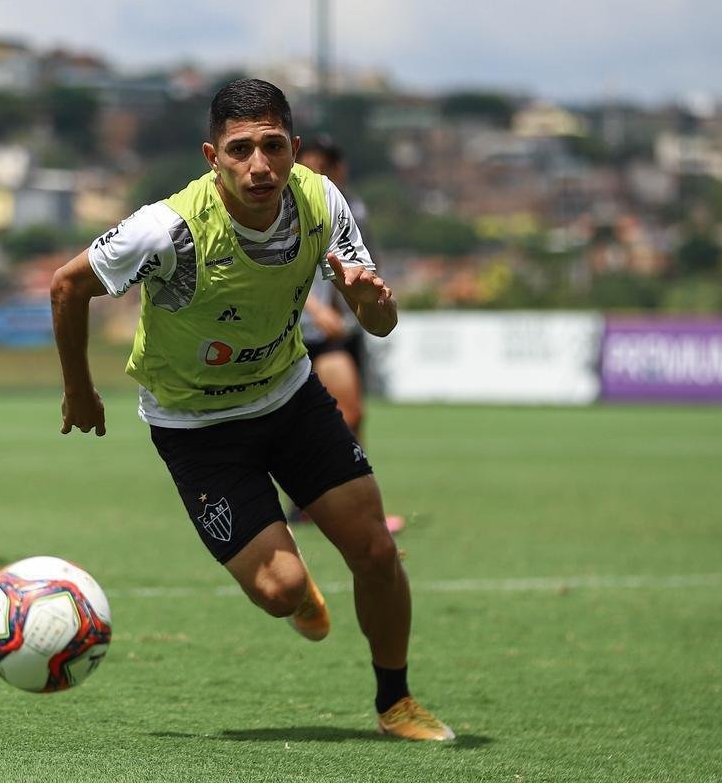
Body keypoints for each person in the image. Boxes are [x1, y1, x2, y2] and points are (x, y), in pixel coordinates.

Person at [51, 79, 453, 741]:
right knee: (279, 590)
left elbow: (379, 324)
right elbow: (67, 285)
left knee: (376, 550)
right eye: (240, 149)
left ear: (295, 147)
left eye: (273, 146)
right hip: (196, 425)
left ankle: (396, 702)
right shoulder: (169, 230)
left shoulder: (322, 201)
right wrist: (78, 389)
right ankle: (298, 590)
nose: (259, 165)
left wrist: (369, 301)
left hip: (288, 397)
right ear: (213, 157)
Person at [293, 138, 405, 534]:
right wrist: (316, 308)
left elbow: (365, 259)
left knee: (352, 415)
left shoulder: (350, 207)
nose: (315, 175)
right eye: (307, 166)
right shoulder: (285, 206)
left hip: (339, 331)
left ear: (339, 170)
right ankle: (316, 503)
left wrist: (369, 299)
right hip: (297, 331)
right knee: (302, 419)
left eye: (323, 167)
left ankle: (346, 508)